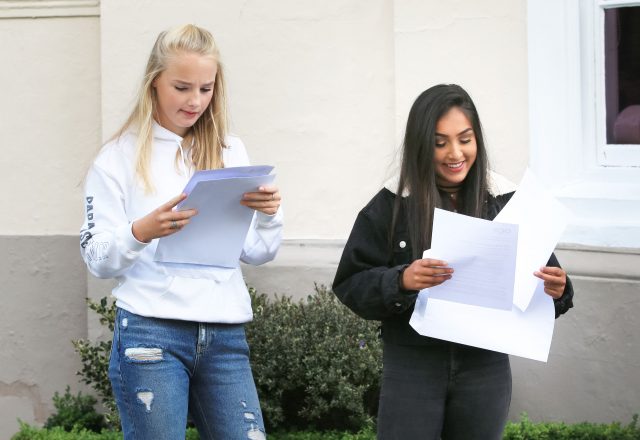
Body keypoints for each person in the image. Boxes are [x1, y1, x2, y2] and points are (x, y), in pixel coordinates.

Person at [332, 84, 573, 440]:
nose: (455, 153)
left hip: (485, 366)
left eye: (465, 139)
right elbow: (350, 282)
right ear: (420, 145)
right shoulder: (391, 204)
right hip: (412, 363)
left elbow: (546, 284)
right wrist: (402, 280)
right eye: (439, 142)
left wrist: (558, 289)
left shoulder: (504, 201)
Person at [79, 24, 282, 440]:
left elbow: (257, 253)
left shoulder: (229, 151)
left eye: (206, 89)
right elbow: (96, 258)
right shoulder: (117, 158)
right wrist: (140, 231)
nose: (195, 101)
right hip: (150, 332)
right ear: (154, 83)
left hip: (224, 333)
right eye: (182, 87)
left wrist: (269, 215)